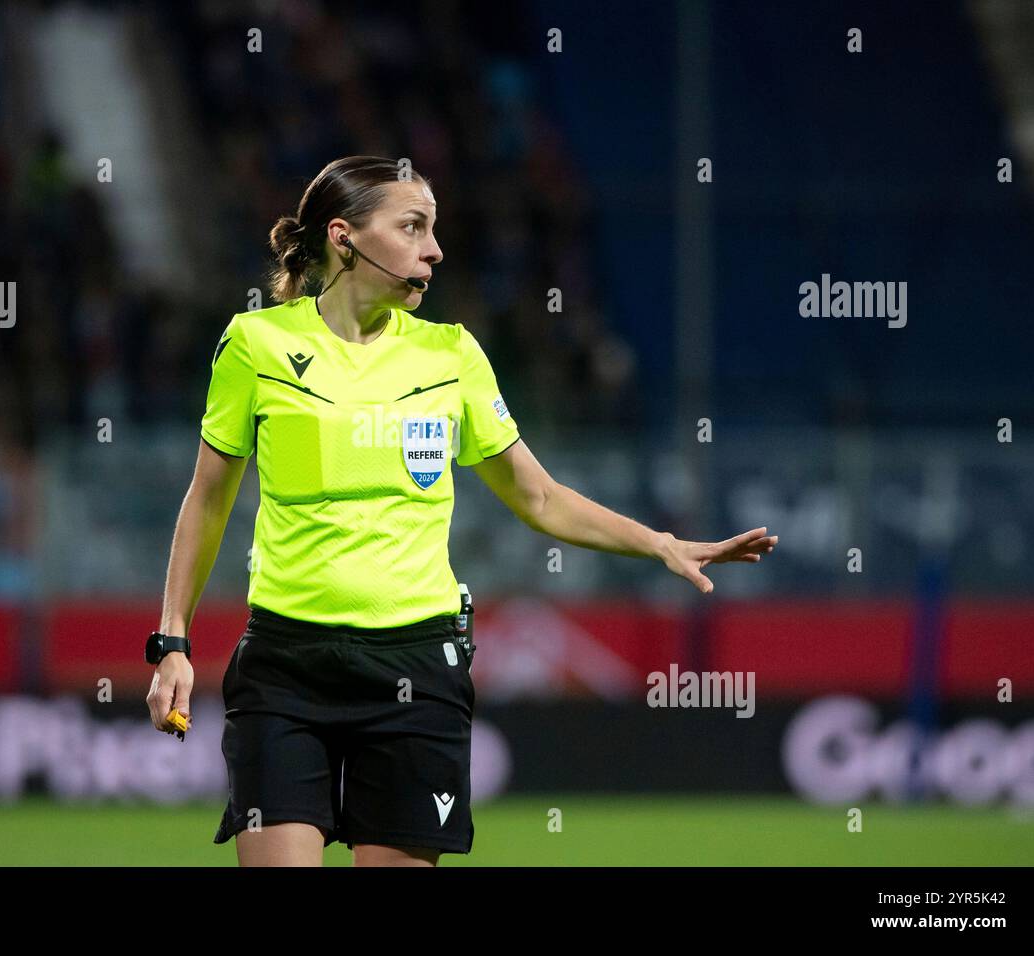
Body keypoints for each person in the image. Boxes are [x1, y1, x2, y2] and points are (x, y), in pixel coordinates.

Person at [145, 155, 777, 867]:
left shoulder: (452, 356)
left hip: (418, 665)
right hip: (287, 668)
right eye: (412, 227)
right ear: (344, 237)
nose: (435, 249)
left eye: (434, 229)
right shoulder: (256, 345)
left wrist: (661, 543)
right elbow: (208, 498)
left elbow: (538, 496)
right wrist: (173, 641)